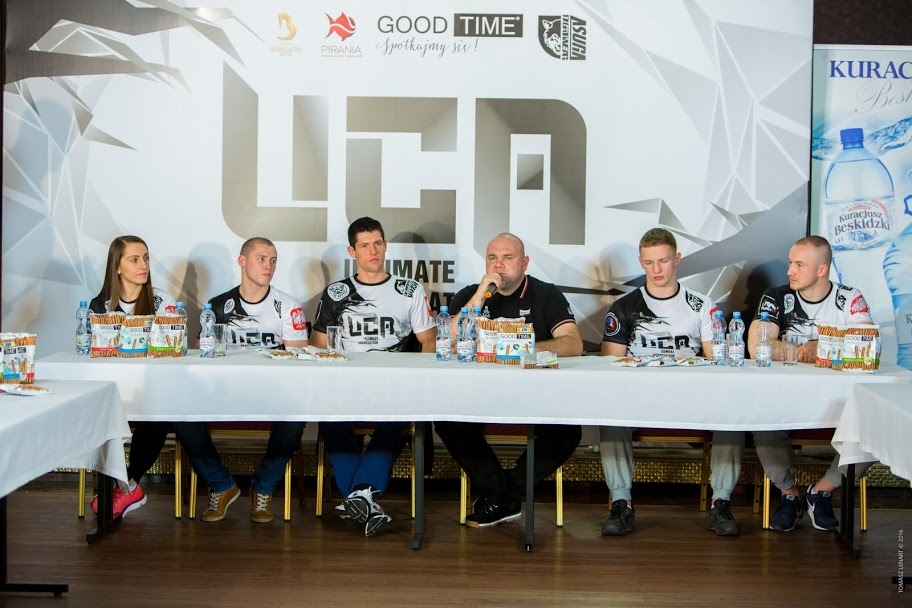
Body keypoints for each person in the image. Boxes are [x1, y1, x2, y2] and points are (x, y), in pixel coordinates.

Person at [599, 228, 743, 537]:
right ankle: (621, 504)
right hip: (638, 395)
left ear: (676, 259)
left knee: (731, 415)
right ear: (641, 262)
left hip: (690, 394)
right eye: (649, 262)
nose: (656, 269)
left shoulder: (701, 304)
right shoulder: (624, 306)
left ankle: (720, 503)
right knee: (610, 413)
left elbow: (716, 360)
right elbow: (610, 365)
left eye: (663, 261)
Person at [434, 233, 583, 528]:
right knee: (447, 421)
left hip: (535, 393)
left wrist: (521, 348)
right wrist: (481, 295)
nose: (498, 265)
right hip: (480, 394)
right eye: (492, 258)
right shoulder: (471, 294)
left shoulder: (545, 294)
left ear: (525, 263)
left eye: (508, 258)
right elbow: (447, 340)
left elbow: (573, 343)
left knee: (568, 432)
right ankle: (505, 494)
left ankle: (503, 494)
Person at [310, 217, 436, 537]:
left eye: (378, 243)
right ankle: (365, 498)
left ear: (385, 245)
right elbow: (318, 346)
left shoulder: (409, 290)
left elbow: (429, 342)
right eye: (365, 245)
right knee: (330, 418)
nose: (373, 251)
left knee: (397, 417)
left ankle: (359, 496)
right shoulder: (337, 293)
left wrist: (419, 384)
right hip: (345, 384)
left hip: (393, 384)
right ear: (352, 251)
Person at [173, 237, 309, 523]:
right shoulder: (217, 305)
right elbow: (201, 355)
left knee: (296, 416)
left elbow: (298, 362)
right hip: (224, 391)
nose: (269, 266)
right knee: (180, 414)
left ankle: (263, 488)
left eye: (273, 260)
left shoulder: (288, 306)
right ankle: (222, 484)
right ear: (242, 261)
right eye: (262, 259)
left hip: (272, 392)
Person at [747, 235, 874, 532]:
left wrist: (822, 346)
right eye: (790, 262)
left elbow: (867, 345)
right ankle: (789, 494)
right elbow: (757, 347)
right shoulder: (776, 296)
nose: (789, 270)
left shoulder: (849, 298)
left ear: (822, 269)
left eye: (799, 265)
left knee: (874, 426)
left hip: (839, 401)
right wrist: (815, 350)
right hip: (785, 397)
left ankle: (821, 491)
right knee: (760, 418)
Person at [88, 235, 176, 518]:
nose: (144, 265)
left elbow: (171, 350)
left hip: (150, 388)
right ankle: (123, 487)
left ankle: (127, 485)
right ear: (117, 266)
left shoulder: (162, 300)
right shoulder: (99, 305)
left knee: (157, 415)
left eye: (146, 258)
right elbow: (93, 353)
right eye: (135, 259)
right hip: (113, 389)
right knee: (99, 415)